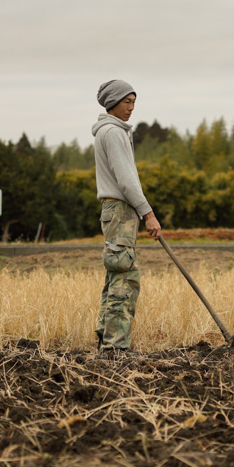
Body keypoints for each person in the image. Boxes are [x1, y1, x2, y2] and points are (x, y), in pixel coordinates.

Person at [91, 79, 162, 354]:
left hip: (118, 212)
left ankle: (106, 340)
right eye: (126, 102)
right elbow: (126, 181)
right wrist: (148, 213)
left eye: (134, 102)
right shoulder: (112, 132)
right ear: (112, 103)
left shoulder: (112, 131)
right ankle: (115, 347)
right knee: (125, 277)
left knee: (116, 275)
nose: (132, 107)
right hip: (120, 211)